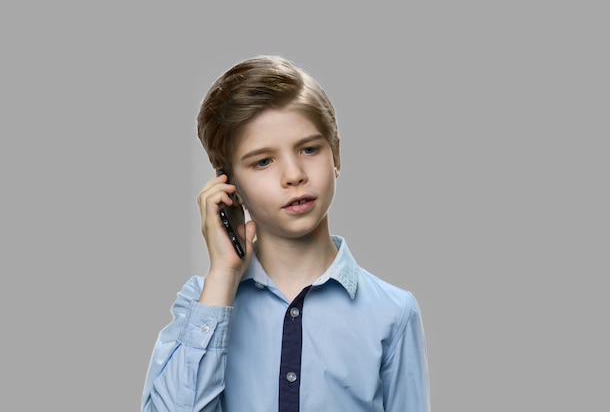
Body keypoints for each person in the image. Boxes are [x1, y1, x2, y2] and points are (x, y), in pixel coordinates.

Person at [141, 55, 430, 412]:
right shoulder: (201, 305)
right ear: (229, 186)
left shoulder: (393, 313)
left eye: (309, 149)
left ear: (336, 154)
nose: (293, 174)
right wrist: (222, 277)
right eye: (263, 161)